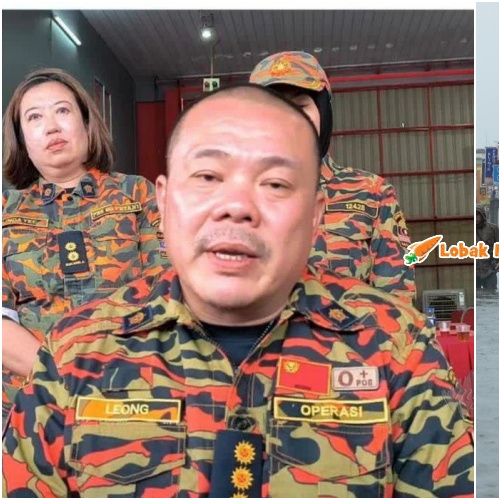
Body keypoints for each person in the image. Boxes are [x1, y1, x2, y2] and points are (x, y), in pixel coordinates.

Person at [2, 85, 473, 497]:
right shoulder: (75, 354)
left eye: (275, 183)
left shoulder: (398, 349)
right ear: (163, 202)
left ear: (316, 213)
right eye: (207, 177)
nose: (236, 207)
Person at [1, 68, 165, 423]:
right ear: (21, 138)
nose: (52, 126)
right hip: (32, 411)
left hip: (128, 400)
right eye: (34, 117)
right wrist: (68, 383)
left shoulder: (137, 195)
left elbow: (167, 294)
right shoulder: (4, 212)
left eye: (62, 111)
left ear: (87, 124)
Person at [249, 51, 415, 305]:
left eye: (301, 106)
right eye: (274, 108)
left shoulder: (373, 194)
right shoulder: (234, 198)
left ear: (323, 113)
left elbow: (398, 303)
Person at [476, 206, 499, 290]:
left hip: (489, 269)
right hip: (474, 271)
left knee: (491, 294)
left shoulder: (492, 228)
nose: (476, 218)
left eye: (478, 215)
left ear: (483, 216)